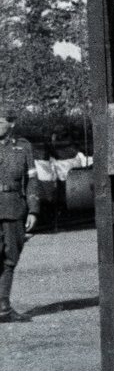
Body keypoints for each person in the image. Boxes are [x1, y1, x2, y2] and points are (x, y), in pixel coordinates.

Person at [0, 107, 39, 323]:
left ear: (11, 123)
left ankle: (3, 308)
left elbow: (32, 180)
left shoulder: (23, 147)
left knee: (10, 259)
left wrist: (33, 210)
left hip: (14, 208)